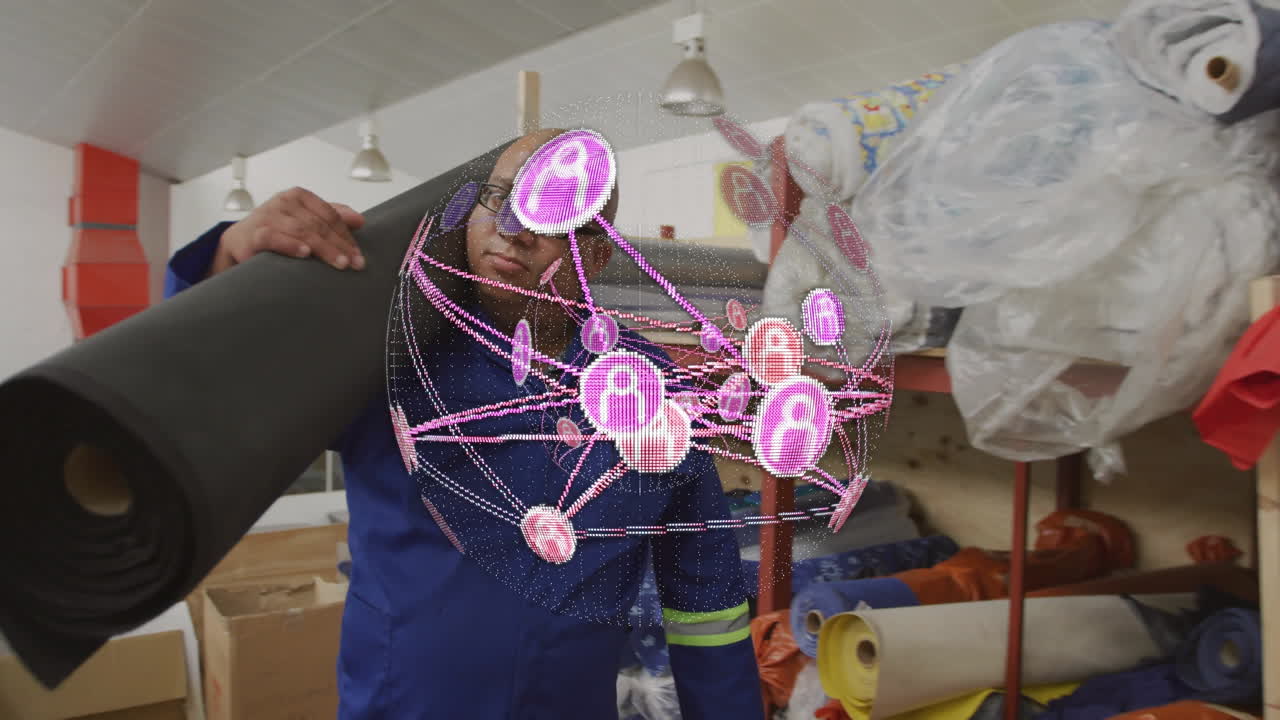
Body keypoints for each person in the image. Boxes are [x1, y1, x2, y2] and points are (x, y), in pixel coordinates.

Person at [164, 129, 765, 720]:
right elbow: (207, 400)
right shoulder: (391, 360)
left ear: (597, 252)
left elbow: (704, 595)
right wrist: (223, 265)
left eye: (553, 213)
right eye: (501, 198)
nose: (514, 228)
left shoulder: (650, 393)